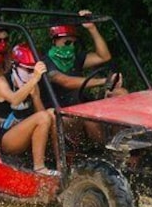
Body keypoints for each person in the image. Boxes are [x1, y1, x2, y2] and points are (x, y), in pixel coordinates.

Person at [43, 9, 126, 143]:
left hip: (82, 105)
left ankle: (126, 146)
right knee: (89, 120)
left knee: (120, 93)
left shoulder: (74, 58)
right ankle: (109, 153)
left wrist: (92, 28)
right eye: (67, 43)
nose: (71, 47)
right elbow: (66, 81)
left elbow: (103, 56)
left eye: (74, 43)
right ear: (54, 41)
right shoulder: (46, 63)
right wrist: (103, 81)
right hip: (62, 113)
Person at [0, 42, 58, 176]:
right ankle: (39, 168)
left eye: (33, 70)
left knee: (52, 113)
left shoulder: (33, 83)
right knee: (44, 116)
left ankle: (60, 163)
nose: (31, 74)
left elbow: (43, 114)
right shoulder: (1, 82)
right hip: (4, 137)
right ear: (14, 66)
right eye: (28, 70)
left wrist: (35, 96)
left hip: (23, 131)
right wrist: (34, 79)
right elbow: (15, 99)